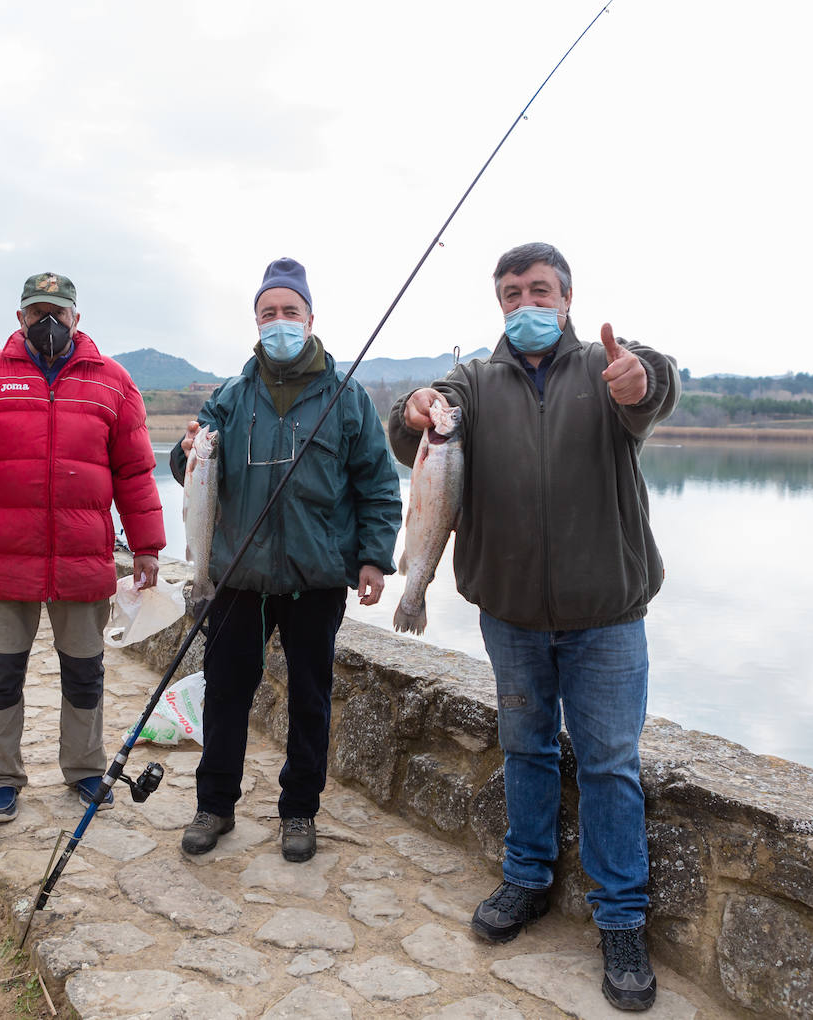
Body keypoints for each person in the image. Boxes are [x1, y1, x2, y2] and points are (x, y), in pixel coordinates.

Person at [388, 242, 680, 1012]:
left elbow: (652, 383)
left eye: (539, 290)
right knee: (524, 748)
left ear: (569, 296)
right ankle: (527, 879)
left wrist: (641, 378)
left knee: (612, 763)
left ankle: (621, 921)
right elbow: (409, 425)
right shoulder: (475, 386)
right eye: (512, 294)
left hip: (607, 618)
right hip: (511, 616)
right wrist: (415, 407)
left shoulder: (603, 372)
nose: (526, 305)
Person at [0, 272, 165, 824]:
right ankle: (0, 777)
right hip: (4, 556)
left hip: (83, 557)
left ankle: (86, 768)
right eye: (37, 311)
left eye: (58, 312)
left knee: (85, 672)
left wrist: (148, 547)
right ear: (19, 317)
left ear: (76, 318)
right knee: (2, 674)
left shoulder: (113, 382)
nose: (48, 322)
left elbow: (136, 472)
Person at [170, 257, 402, 863]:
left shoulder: (347, 399)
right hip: (237, 577)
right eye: (268, 313)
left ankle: (299, 810)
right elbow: (188, 471)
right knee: (225, 694)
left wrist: (374, 558)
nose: (279, 322)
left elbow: (378, 486)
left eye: (288, 312)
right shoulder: (229, 398)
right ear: (256, 321)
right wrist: (186, 449)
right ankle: (214, 805)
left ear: (309, 317)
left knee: (310, 700)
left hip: (316, 578)